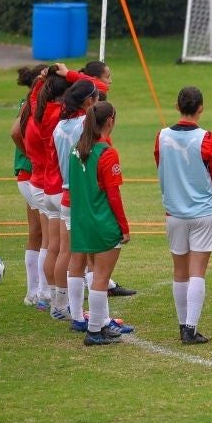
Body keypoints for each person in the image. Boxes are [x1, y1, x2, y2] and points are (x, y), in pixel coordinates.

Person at [155, 86, 212, 344]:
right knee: (197, 272)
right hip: (202, 210)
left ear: (177, 106)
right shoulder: (208, 138)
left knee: (179, 271)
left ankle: (183, 324)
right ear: (200, 108)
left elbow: (160, 165)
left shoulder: (161, 136)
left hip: (174, 211)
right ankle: (190, 329)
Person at [68, 102, 132, 345]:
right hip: (103, 223)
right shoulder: (107, 153)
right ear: (110, 121)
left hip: (83, 222)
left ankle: (102, 324)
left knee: (96, 274)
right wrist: (123, 227)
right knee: (101, 278)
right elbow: (113, 195)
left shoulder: (76, 150)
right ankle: (94, 331)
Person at [53, 81, 111, 333]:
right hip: (82, 194)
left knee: (78, 258)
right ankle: (89, 318)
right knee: (90, 260)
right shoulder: (83, 126)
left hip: (66, 193)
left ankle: (80, 315)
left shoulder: (58, 127)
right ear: (89, 102)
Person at [24, 70, 69, 319]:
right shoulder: (61, 116)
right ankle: (56, 299)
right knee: (63, 249)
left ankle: (45, 294)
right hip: (54, 185)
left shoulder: (38, 112)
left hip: (39, 184)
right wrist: (70, 74)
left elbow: (34, 98)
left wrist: (41, 80)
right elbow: (91, 90)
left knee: (49, 245)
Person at [10, 65, 46, 308]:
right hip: (32, 175)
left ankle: (33, 292)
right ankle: (43, 292)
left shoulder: (32, 101)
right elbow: (15, 132)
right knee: (48, 235)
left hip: (27, 175)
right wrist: (33, 155)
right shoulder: (32, 104)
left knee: (37, 233)